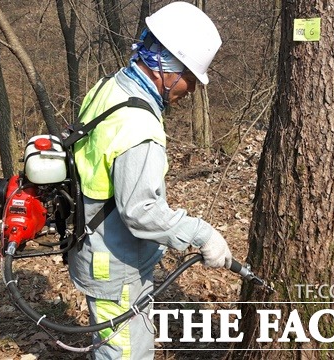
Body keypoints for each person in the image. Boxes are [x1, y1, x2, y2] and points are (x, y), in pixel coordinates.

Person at [67, 2, 232, 358]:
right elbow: (141, 211)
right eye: (190, 76)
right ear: (167, 65)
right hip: (115, 264)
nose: (191, 88)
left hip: (95, 246)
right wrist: (203, 234)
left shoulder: (109, 87)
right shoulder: (138, 125)